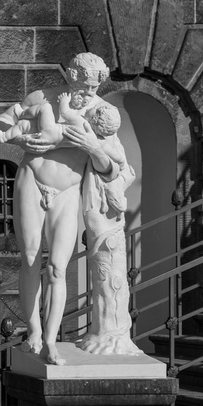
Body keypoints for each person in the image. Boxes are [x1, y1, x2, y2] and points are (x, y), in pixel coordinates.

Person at [0, 52, 123, 365]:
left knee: (57, 268)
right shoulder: (42, 98)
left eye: (94, 87)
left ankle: (51, 341)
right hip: (31, 180)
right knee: (30, 259)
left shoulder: (102, 112)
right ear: (70, 76)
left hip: (66, 192)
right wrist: (23, 140)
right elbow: (1, 126)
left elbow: (113, 167)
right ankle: (34, 333)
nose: (88, 93)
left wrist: (80, 145)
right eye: (84, 84)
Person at [76, 101, 144, 356]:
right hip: (96, 203)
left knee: (111, 267)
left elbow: (128, 171)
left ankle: (114, 332)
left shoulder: (109, 141)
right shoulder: (91, 132)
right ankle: (103, 329)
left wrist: (116, 186)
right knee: (102, 264)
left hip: (110, 209)